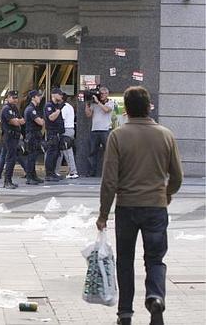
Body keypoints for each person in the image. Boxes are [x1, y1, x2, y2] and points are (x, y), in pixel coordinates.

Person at [96, 86, 182, 325]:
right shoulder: (165, 135)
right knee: (155, 259)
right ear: (149, 106)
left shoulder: (118, 136)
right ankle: (155, 298)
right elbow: (177, 177)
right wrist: (167, 193)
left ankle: (125, 314)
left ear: (126, 108)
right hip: (156, 207)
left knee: (125, 260)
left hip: (127, 207)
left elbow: (109, 180)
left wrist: (103, 214)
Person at [85, 86, 115, 176]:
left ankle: (108, 172)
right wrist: (87, 104)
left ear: (107, 94)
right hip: (94, 130)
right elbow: (88, 115)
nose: (101, 95)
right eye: (100, 93)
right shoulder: (94, 103)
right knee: (92, 152)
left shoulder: (110, 102)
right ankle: (91, 172)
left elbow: (106, 110)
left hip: (105, 130)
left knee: (108, 152)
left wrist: (98, 102)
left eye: (103, 94)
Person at [0, 90, 24, 189]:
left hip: (14, 136)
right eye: (13, 98)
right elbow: (15, 122)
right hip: (9, 136)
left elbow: (22, 120)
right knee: (10, 159)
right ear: (8, 98)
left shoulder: (14, 108)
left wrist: (18, 121)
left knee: (12, 159)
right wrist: (18, 121)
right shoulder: (6, 109)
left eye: (16, 98)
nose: (15, 100)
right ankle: (7, 181)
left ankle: (9, 180)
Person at [23, 90, 45, 185]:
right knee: (31, 157)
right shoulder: (31, 109)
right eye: (38, 96)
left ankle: (33, 175)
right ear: (33, 97)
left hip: (35, 134)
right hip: (32, 135)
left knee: (34, 156)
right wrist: (43, 119)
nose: (39, 98)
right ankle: (29, 177)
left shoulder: (35, 108)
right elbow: (40, 122)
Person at [55, 93, 79, 179]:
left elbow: (61, 120)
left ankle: (73, 171)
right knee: (60, 152)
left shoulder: (64, 107)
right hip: (70, 130)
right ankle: (56, 171)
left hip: (66, 130)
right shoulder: (69, 106)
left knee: (67, 151)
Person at [43, 88, 65, 181]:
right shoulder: (49, 105)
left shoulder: (56, 105)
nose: (61, 96)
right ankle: (49, 174)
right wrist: (58, 110)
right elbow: (51, 118)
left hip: (57, 133)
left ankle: (53, 173)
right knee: (51, 153)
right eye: (59, 94)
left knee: (56, 154)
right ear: (54, 95)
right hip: (52, 133)